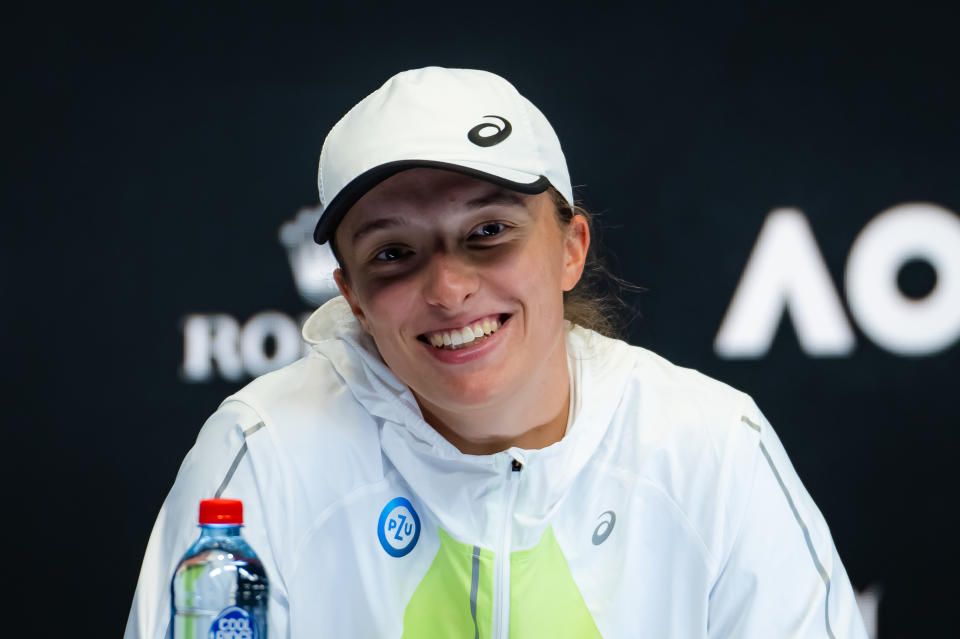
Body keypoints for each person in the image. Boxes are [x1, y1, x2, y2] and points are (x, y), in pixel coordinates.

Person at [125, 67, 868, 638]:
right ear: (350, 295)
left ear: (571, 247)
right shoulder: (264, 452)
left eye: (488, 232)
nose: (448, 288)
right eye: (393, 252)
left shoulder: (709, 447)